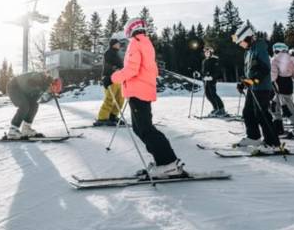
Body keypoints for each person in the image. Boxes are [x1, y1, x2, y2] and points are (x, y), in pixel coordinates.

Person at [111, 18, 185, 178]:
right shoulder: (145, 42)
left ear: (131, 29)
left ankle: (169, 164)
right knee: (141, 129)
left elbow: (132, 69)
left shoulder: (136, 43)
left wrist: (113, 77)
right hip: (141, 91)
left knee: (146, 129)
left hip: (138, 91)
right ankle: (162, 162)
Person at [232, 23, 282, 149]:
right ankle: (253, 137)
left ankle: (273, 142)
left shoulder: (259, 47)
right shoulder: (248, 52)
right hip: (253, 88)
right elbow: (250, 71)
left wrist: (253, 80)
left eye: (240, 42)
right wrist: (244, 83)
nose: (240, 44)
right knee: (248, 113)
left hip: (262, 88)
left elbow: (265, 68)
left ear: (247, 37)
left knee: (262, 115)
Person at [6, 71, 56, 139]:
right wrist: (42, 83)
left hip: (23, 91)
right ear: (51, 84)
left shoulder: (43, 88)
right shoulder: (40, 76)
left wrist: (43, 87)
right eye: (54, 89)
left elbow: (33, 99)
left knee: (34, 105)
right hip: (14, 86)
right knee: (24, 105)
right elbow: (31, 82)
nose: (52, 91)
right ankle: (13, 130)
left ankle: (26, 129)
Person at [94, 38, 125, 126]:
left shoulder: (117, 54)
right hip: (110, 78)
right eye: (117, 43)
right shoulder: (108, 53)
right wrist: (115, 68)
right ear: (113, 44)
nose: (119, 45)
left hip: (118, 79)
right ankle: (102, 118)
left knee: (120, 99)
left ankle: (113, 116)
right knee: (110, 99)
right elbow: (108, 64)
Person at [201, 46, 226, 116]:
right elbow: (203, 71)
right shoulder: (204, 61)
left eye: (208, 52)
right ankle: (216, 108)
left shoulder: (214, 60)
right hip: (205, 81)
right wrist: (202, 76)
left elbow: (217, 71)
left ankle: (221, 109)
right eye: (205, 52)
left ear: (211, 53)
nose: (206, 53)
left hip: (212, 80)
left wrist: (212, 77)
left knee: (213, 94)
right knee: (208, 95)